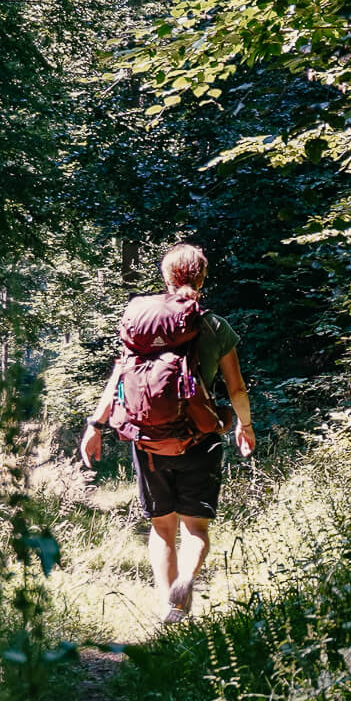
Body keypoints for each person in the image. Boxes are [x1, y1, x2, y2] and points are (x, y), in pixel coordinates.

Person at [81, 244, 256, 624]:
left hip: (148, 442)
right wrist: (244, 425)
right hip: (200, 438)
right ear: (202, 278)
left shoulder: (140, 322)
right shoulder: (214, 326)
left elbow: (119, 376)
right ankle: (186, 580)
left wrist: (95, 426)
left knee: (162, 528)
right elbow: (237, 388)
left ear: (166, 277)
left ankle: (170, 606)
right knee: (196, 527)